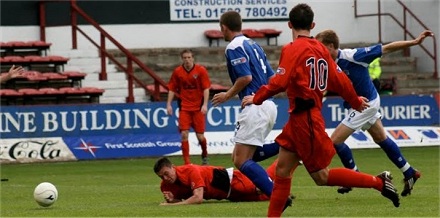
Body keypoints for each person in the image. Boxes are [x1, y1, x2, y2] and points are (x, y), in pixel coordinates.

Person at [241, 3, 400, 217]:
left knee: (321, 177)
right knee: (282, 171)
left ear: (289, 24)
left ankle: (378, 183)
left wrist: (256, 97)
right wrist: (354, 100)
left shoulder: (292, 48)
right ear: (312, 25)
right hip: (301, 118)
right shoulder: (321, 50)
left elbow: (279, 82)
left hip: (305, 120)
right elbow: (340, 79)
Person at [315, 29, 433, 196]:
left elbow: (387, 48)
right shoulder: (326, 64)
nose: (318, 51)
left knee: (334, 141)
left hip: (367, 103)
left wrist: (414, 42)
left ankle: (353, 177)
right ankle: (409, 172)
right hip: (355, 105)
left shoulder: (353, 56)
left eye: (321, 47)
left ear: (331, 46)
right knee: (380, 138)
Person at [211, 11, 293, 210]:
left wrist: (226, 95)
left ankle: (277, 195)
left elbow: (245, 78)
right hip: (267, 104)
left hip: (255, 106)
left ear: (223, 27)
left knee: (241, 160)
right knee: (243, 157)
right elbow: (272, 77)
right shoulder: (253, 45)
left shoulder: (234, 47)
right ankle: (287, 147)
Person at [154, 157, 279, 205]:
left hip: (231, 181)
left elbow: (198, 199)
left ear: (173, 167)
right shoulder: (165, 187)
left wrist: (173, 205)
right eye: (161, 176)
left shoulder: (190, 170)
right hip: (227, 195)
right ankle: (283, 193)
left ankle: (289, 155)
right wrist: (172, 200)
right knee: (269, 197)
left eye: (166, 173)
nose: (165, 178)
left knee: (262, 184)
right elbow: (186, 200)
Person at [166, 49, 211, 165]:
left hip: (198, 108)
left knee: (200, 137)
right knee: (184, 134)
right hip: (184, 108)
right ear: (182, 59)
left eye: (189, 57)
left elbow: (206, 88)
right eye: (184, 58)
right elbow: (172, 88)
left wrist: (205, 105)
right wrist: (168, 104)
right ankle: (187, 163)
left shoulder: (201, 71)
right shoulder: (177, 72)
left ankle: (204, 154)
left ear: (193, 58)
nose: (187, 60)